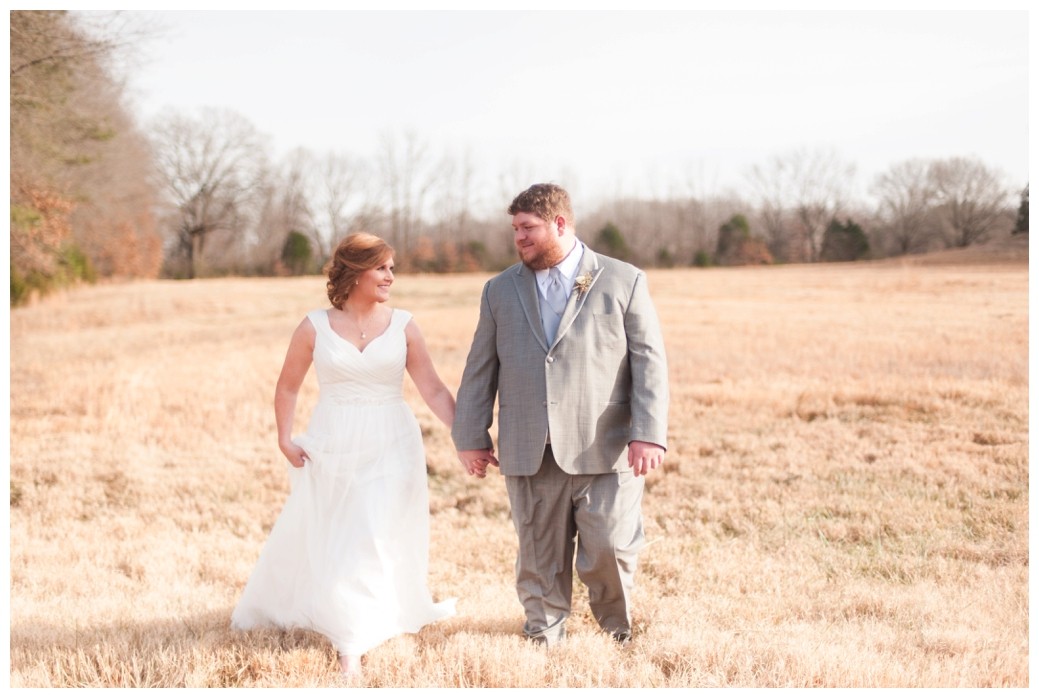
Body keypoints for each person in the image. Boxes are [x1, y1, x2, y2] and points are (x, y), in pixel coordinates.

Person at [452, 183, 669, 647]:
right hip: (529, 445)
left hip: (605, 444)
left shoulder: (622, 279)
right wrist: (471, 435)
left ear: (560, 225)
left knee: (609, 546)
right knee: (538, 554)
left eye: (528, 228)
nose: (519, 239)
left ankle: (617, 631)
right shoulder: (499, 290)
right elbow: (479, 367)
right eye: (515, 229)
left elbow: (649, 360)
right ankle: (543, 634)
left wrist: (649, 433)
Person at [231, 232, 456, 678]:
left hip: (392, 440)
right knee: (341, 533)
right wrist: (284, 438)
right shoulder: (313, 326)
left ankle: (351, 640)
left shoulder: (405, 324)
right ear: (355, 272)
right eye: (382, 268)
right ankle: (339, 614)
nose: (391, 276)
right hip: (332, 441)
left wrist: (466, 435)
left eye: (392, 268)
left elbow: (431, 386)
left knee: (372, 530)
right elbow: (288, 386)